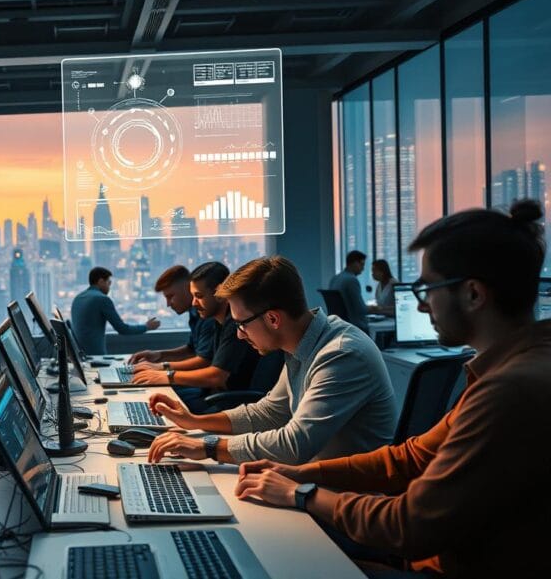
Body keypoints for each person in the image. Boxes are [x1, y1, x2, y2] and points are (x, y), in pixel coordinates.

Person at [231, 200, 550, 578]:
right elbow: (408, 458)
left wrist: (301, 494)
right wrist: (301, 474)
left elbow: (409, 525)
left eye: (429, 289)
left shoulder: (510, 391)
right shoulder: (510, 369)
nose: (422, 305)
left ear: (474, 294)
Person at [146, 256, 397, 466]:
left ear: (273, 319)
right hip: (308, 483)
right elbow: (269, 413)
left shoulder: (341, 355)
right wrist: (194, 422)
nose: (238, 334)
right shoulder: (302, 345)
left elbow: (294, 444)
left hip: (343, 503)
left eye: (242, 324)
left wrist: (208, 446)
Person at [131, 262, 260, 413]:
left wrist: (164, 373)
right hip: (217, 395)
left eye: (199, 296)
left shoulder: (234, 325)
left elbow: (216, 375)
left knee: (158, 410)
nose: (194, 303)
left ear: (219, 293)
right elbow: (194, 351)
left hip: (231, 404)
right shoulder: (219, 322)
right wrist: (160, 359)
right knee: (153, 405)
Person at [127, 265, 215, 370]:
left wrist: (160, 368)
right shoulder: (194, 314)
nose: (168, 304)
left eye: (170, 296)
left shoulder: (207, 316)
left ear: (188, 288)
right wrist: (159, 355)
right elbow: (192, 350)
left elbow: (204, 361)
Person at [70, 267, 160, 355]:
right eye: (108, 283)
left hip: (79, 356)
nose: (109, 288)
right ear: (101, 281)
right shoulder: (102, 299)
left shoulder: (78, 298)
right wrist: (146, 326)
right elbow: (122, 329)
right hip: (96, 357)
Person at [330, 250, 369, 331]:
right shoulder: (351, 280)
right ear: (354, 263)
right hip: (355, 326)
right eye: (361, 264)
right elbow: (361, 309)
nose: (363, 268)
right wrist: (379, 309)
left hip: (338, 324)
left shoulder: (335, 278)